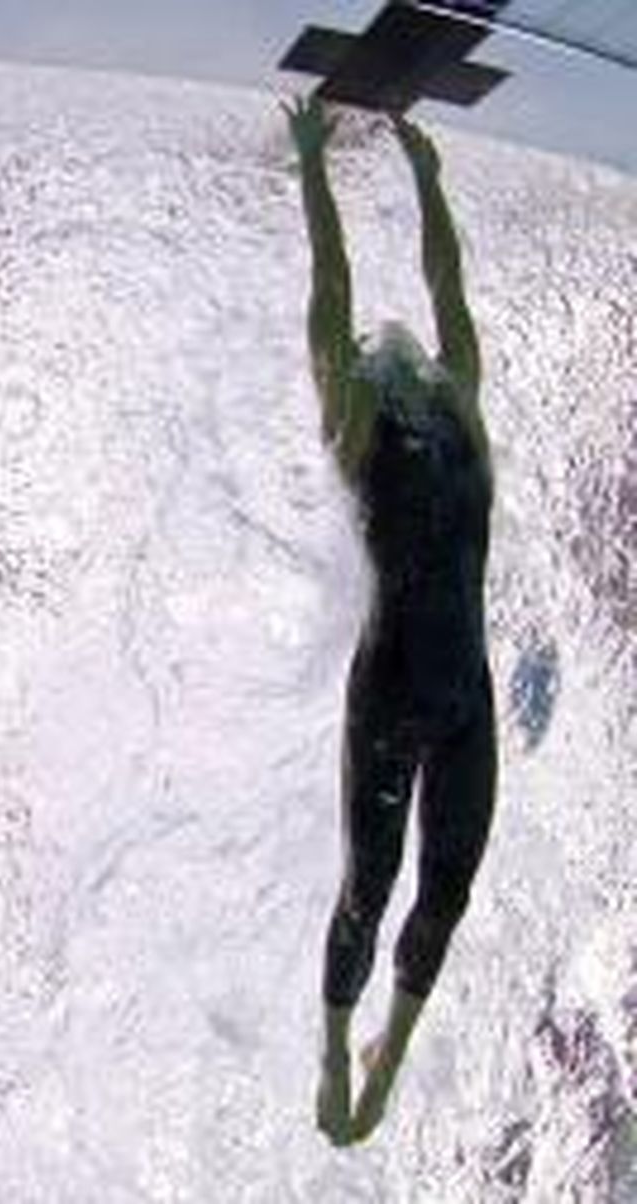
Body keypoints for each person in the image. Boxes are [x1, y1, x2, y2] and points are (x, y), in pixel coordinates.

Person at [287, 95, 497, 1146]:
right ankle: (331, 1043)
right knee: (368, 893)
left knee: (446, 892)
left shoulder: (462, 403)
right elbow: (332, 292)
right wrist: (313, 172)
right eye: (371, 342)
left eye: (391, 338)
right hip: (388, 695)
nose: (388, 336)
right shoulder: (351, 416)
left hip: (465, 701)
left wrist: (427, 179)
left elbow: (445, 286)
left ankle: (388, 1055)